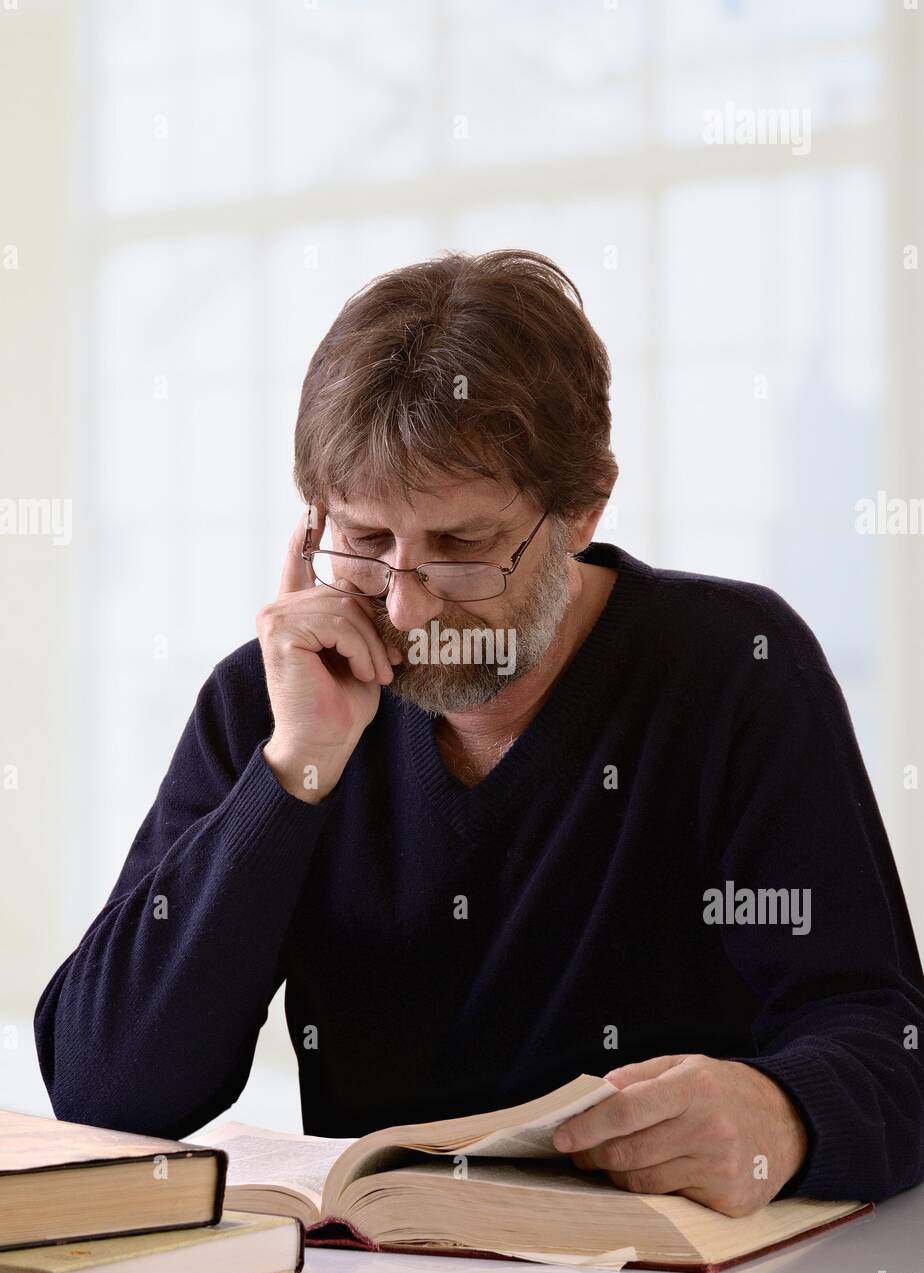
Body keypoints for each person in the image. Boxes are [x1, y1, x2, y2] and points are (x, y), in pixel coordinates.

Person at [35, 249, 924, 1216]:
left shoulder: (734, 669)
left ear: (582, 508)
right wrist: (294, 773)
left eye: (463, 548)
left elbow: (887, 1042)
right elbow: (104, 1091)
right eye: (367, 543)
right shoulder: (274, 702)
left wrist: (786, 1113)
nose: (407, 606)